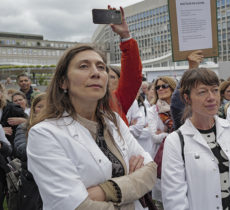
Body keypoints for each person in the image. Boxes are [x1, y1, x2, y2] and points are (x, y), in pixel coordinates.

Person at [26, 6, 156, 210]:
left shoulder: (113, 119)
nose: (96, 73)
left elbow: (150, 172)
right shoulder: (44, 134)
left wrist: (105, 191)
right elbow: (74, 205)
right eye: (84, 66)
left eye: (101, 67)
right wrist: (130, 186)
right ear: (63, 82)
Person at [161, 68, 230, 210]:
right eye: (202, 92)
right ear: (187, 98)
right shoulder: (176, 142)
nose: (211, 97)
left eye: (215, 90)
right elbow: (174, 200)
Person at [14, 93, 46, 210]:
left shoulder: (61, 126)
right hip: (31, 179)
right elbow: (21, 150)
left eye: (47, 106)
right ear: (33, 109)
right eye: (40, 106)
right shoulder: (24, 126)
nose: (43, 109)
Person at [147, 76, 176, 207]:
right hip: (161, 156)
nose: (161, 89)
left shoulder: (179, 107)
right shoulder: (153, 110)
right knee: (162, 199)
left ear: (172, 87)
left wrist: (164, 133)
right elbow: (154, 136)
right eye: (157, 87)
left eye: (164, 86)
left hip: (179, 153)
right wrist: (171, 133)